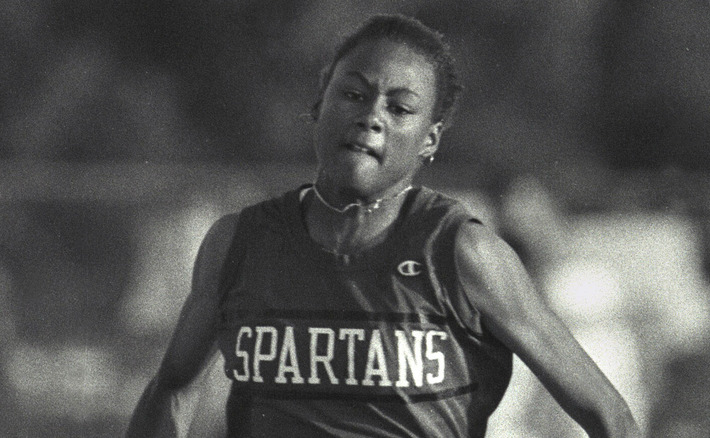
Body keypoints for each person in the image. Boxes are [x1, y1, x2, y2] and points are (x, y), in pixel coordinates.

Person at [126, 14, 640, 438]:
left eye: (399, 108)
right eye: (353, 94)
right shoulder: (238, 244)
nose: (371, 116)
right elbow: (173, 388)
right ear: (318, 104)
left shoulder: (462, 254)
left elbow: (610, 417)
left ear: (430, 140)